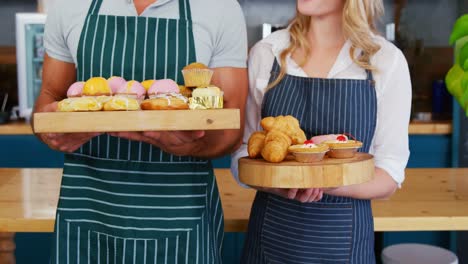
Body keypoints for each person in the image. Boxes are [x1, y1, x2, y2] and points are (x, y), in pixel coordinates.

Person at [33, 0, 248, 263]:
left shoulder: (220, 7)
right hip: (88, 208)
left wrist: (192, 146)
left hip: (181, 216)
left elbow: (230, 126)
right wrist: (51, 129)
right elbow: (48, 98)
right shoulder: (67, 4)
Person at [231, 0, 411, 263]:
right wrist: (280, 183)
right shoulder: (267, 53)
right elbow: (242, 155)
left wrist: (324, 177)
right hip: (270, 242)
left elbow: (390, 175)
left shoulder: (385, 61)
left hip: (344, 247)